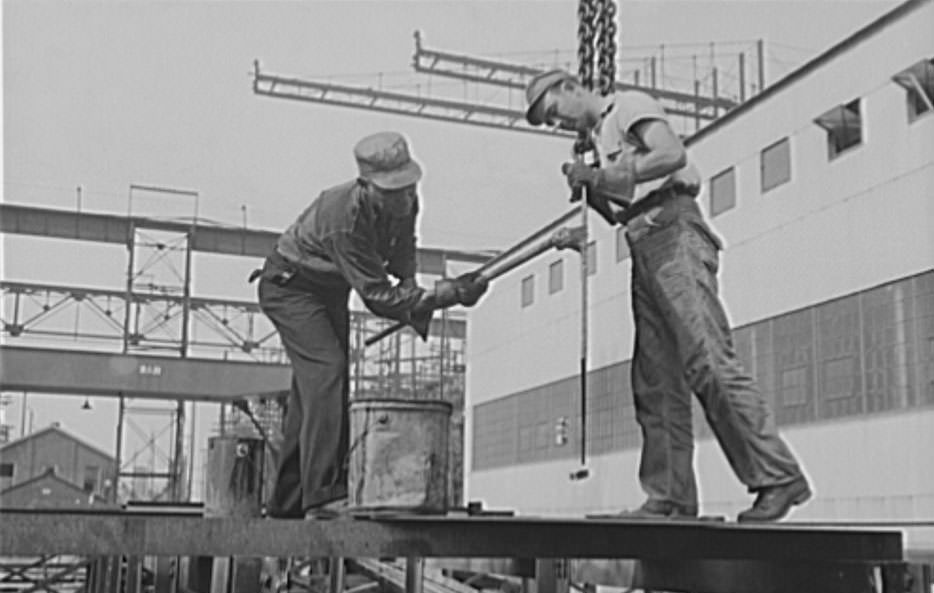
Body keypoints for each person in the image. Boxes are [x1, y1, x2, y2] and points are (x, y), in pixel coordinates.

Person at [524, 70, 812, 522]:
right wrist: (591, 185)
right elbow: (620, 213)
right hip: (643, 240)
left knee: (708, 361)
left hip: (674, 230)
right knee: (656, 381)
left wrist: (603, 172)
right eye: (551, 122)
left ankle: (779, 478)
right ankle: (670, 497)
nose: (560, 123)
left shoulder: (628, 106)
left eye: (556, 113)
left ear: (570, 88)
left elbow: (671, 154)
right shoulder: (600, 138)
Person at [254, 131, 487, 518]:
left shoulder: (407, 200)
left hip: (328, 291)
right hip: (289, 289)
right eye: (393, 191)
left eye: (408, 188)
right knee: (328, 372)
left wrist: (416, 291)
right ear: (367, 186)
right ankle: (325, 494)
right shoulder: (342, 218)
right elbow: (377, 297)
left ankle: (288, 501)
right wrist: (442, 297)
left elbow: (404, 251)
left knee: (311, 392)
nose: (404, 198)